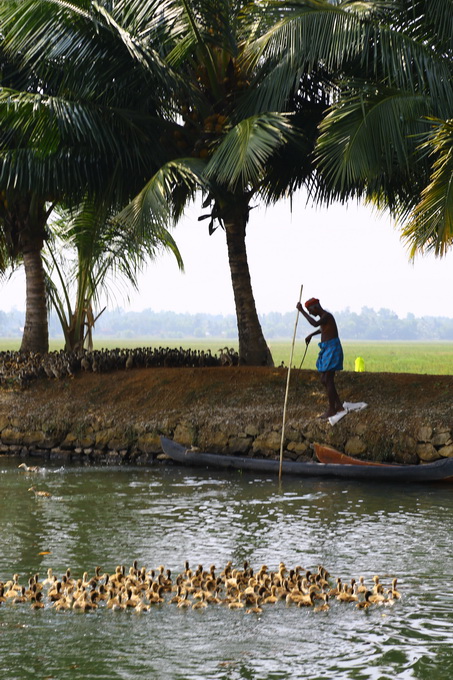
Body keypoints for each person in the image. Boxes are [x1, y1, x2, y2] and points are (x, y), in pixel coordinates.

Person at [296, 297, 344, 418]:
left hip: (332, 349)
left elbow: (315, 324)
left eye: (310, 311)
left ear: (315, 308)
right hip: (327, 349)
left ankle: (332, 409)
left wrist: (301, 311)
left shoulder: (327, 316)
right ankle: (338, 405)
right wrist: (311, 335)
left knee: (327, 378)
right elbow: (322, 328)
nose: (310, 313)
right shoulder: (324, 319)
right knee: (325, 379)